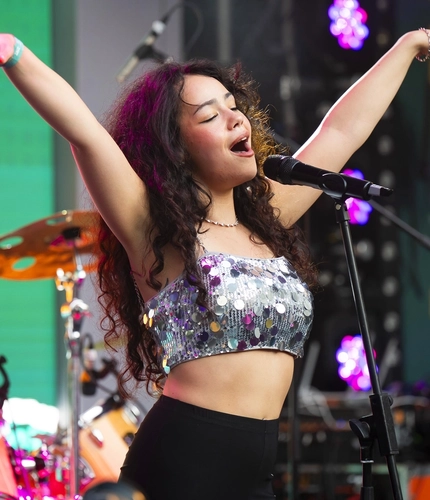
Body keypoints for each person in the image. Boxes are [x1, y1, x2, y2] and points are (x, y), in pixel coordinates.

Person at [1, 27, 429, 500]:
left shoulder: (267, 220)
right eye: (209, 115)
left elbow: (341, 132)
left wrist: (409, 44)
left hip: (258, 471)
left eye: (232, 104)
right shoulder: (157, 233)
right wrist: (11, 51)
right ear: (176, 150)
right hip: (184, 464)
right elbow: (84, 133)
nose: (234, 118)